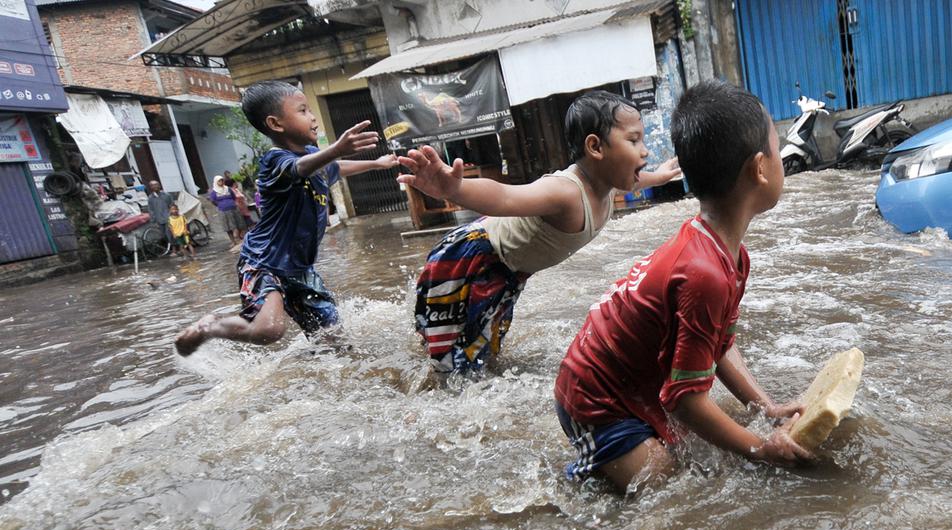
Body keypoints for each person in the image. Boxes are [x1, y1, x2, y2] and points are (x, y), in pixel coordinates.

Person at [553, 80, 812, 495]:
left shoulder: (729, 257)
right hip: (592, 395)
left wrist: (767, 409)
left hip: (631, 381)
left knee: (699, 447)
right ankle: (573, 484)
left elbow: (720, 346)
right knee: (659, 478)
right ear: (760, 169)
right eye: (777, 150)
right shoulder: (704, 273)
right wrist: (760, 448)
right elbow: (684, 401)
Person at [395, 90, 681, 373]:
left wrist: (661, 176)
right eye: (633, 140)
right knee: (451, 363)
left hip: (509, 272)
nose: (645, 150)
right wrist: (456, 189)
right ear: (595, 147)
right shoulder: (566, 192)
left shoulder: (609, 184)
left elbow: (637, 181)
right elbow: (505, 197)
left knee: (481, 352)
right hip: (475, 259)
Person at [174, 80, 397, 356]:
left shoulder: (315, 156)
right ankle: (211, 327)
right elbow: (299, 168)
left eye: (310, 110)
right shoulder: (275, 161)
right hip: (264, 261)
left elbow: (335, 167)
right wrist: (336, 149)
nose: (312, 117)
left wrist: (376, 163)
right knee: (268, 330)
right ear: (275, 124)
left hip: (301, 268)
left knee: (335, 341)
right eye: (303, 111)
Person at [209, 175, 242, 249]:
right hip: (223, 211)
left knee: (235, 224)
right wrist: (220, 205)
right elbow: (212, 201)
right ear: (216, 182)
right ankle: (233, 241)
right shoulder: (214, 192)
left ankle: (237, 239)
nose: (221, 182)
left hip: (233, 209)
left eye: (222, 180)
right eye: (219, 181)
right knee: (227, 227)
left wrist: (232, 203)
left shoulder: (228, 189)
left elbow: (234, 197)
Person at [145, 181, 173, 246]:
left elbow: (172, 205)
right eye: (152, 185)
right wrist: (153, 220)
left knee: (169, 233)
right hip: (159, 219)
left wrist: (172, 215)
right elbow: (151, 210)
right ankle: (170, 247)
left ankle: (175, 248)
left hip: (168, 218)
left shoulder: (166, 195)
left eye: (156, 185)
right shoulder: (150, 198)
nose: (155, 186)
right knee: (163, 235)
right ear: (150, 187)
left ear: (159, 185)